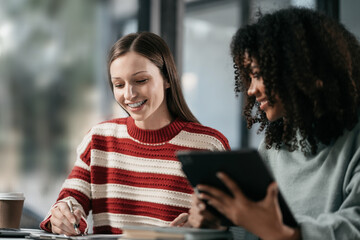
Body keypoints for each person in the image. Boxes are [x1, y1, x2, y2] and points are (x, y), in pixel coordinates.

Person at [174, 7, 360, 240]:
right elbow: (253, 233)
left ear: (307, 71)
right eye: (248, 77)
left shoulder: (355, 140)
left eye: (259, 74)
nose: (251, 90)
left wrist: (285, 232)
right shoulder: (275, 147)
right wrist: (218, 224)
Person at [40, 32, 230, 235]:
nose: (129, 94)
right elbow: (69, 201)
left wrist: (196, 232)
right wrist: (61, 219)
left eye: (140, 80)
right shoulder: (99, 139)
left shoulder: (209, 146)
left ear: (167, 78)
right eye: (119, 85)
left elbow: (226, 227)